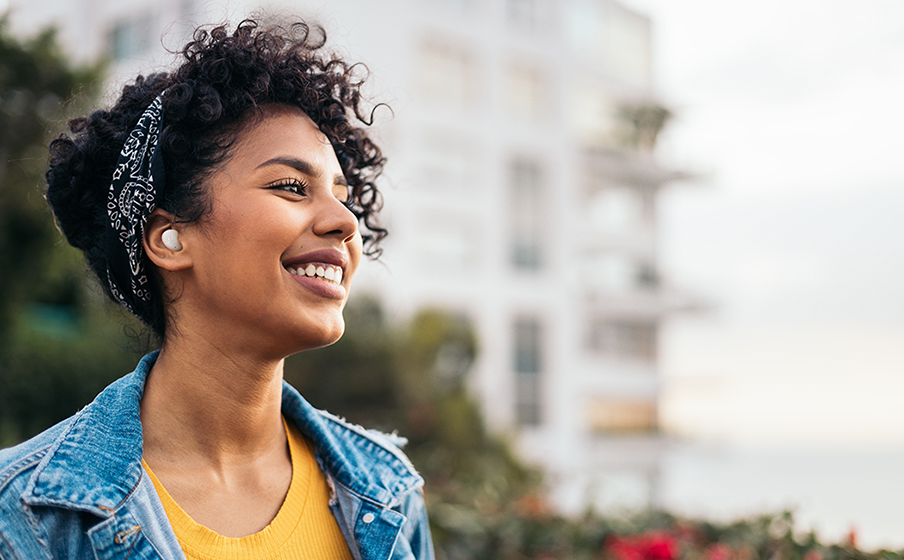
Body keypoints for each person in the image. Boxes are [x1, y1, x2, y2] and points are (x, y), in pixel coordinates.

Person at [0, 19, 433, 560]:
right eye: (290, 186)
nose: (345, 222)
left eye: (342, 195)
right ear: (170, 239)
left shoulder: (388, 494)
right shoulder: (24, 516)